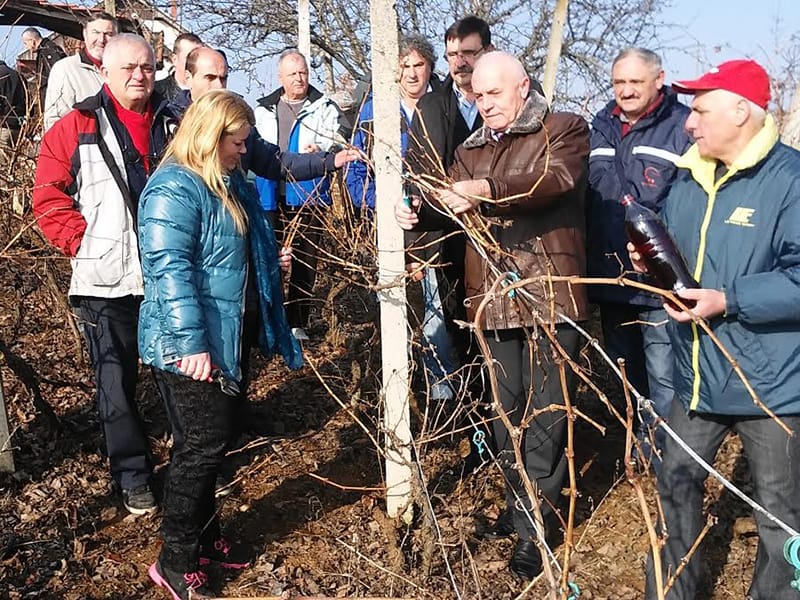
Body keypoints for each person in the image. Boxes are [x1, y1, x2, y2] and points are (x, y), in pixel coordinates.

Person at [396, 51, 590, 581]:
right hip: (493, 300)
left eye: (495, 93)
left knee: (546, 415)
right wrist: (420, 212)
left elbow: (553, 180)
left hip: (549, 295)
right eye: (478, 95)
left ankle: (536, 529)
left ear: (523, 87)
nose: (485, 104)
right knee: (506, 414)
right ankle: (519, 503)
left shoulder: (563, 130)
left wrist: (486, 191)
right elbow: (451, 205)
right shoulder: (470, 149)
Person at [627, 60, 800, 600]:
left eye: (701, 110)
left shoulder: (791, 181)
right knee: (674, 482)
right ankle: (675, 591)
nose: (689, 122)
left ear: (741, 111)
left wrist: (730, 299)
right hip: (698, 377)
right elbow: (683, 261)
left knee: (781, 514)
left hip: (772, 385)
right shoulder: (689, 177)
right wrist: (651, 263)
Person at [140, 89, 302, 600]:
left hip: (226, 334)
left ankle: (205, 540)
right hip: (189, 345)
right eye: (238, 141)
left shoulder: (224, 180)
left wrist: (265, 263)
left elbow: (226, 253)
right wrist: (192, 344)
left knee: (214, 444)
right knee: (200, 447)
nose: (244, 150)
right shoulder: (174, 188)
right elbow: (169, 272)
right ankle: (175, 559)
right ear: (210, 137)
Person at [32, 34, 173, 515]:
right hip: (104, 281)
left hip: (167, 276)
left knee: (180, 375)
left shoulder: (174, 122)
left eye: (147, 66)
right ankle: (134, 476)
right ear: (105, 72)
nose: (139, 75)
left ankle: (193, 467)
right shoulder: (77, 125)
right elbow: (48, 195)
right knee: (115, 383)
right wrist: (82, 243)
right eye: (129, 67)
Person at [585, 48, 691, 457]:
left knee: (664, 377)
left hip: (658, 282)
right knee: (627, 377)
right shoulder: (601, 125)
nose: (625, 91)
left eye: (635, 82)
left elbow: (690, 203)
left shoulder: (681, 127)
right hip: (611, 277)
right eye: (618, 82)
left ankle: (669, 462)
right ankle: (642, 452)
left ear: (658, 79)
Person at [254, 49, 348, 340]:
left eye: (303, 72)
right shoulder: (263, 110)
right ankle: (269, 321)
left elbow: (340, 139)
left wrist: (323, 149)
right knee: (270, 259)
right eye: (293, 73)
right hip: (269, 195)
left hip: (309, 195)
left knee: (305, 261)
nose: (299, 78)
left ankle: (297, 323)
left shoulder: (324, 106)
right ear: (280, 77)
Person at [43, 12, 117, 131]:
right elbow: (55, 123)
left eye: (108, 34)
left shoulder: (124, 70)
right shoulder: (65, 70)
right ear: (85, 34)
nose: (101, 40)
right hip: (85, 141)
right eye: (96, 33)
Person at [21, 28, 66, 114]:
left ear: (32, 41)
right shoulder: (45, 51)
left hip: (56, 102)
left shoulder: (48, 51)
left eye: (25, 43)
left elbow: (57, 75)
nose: (26, 47)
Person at [154, 33, 203, 102]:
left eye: (199, 58)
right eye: (190, 58)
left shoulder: (209, 96)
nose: (195, 63)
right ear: (174, 59)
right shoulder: (155, 93)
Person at [0, 60, 26, 159]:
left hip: (3, 126)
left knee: (4, 164)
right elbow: (28, 100)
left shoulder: (1, 76)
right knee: (15, 161)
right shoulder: (19, 76)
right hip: (19, 126)